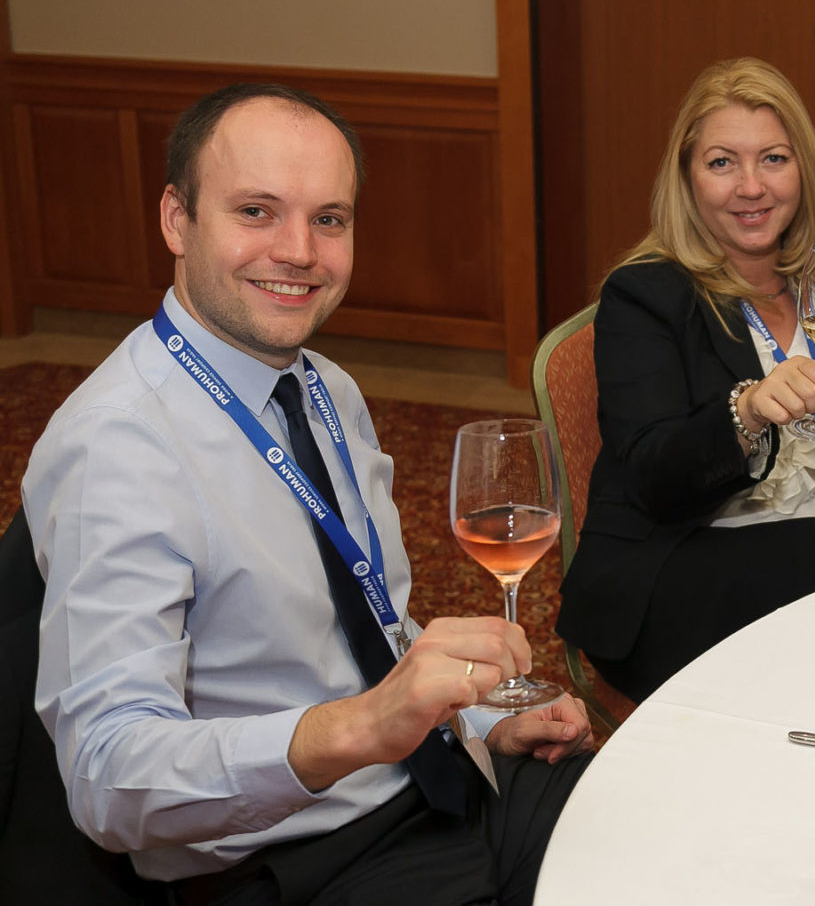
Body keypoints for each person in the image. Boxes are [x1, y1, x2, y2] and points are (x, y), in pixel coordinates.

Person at [22, 84, 593, 903]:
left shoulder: (325, 389)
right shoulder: (118, 447)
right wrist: (361, 728)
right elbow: (106, 776)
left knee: (662, 832)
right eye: (256, 211)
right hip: (296, 857)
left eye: (329, 218)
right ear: (177, 219)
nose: (299, 251)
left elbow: (364, 625)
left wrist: (477, 715)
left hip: (432, 777)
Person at [556, 57, 815, 703]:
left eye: (773, 158)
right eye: (722, 163)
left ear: (803, 168)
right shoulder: (645, 296)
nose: (751, 186)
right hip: (681, 574)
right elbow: (654, 475)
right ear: (687, 178)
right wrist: (748, 411)